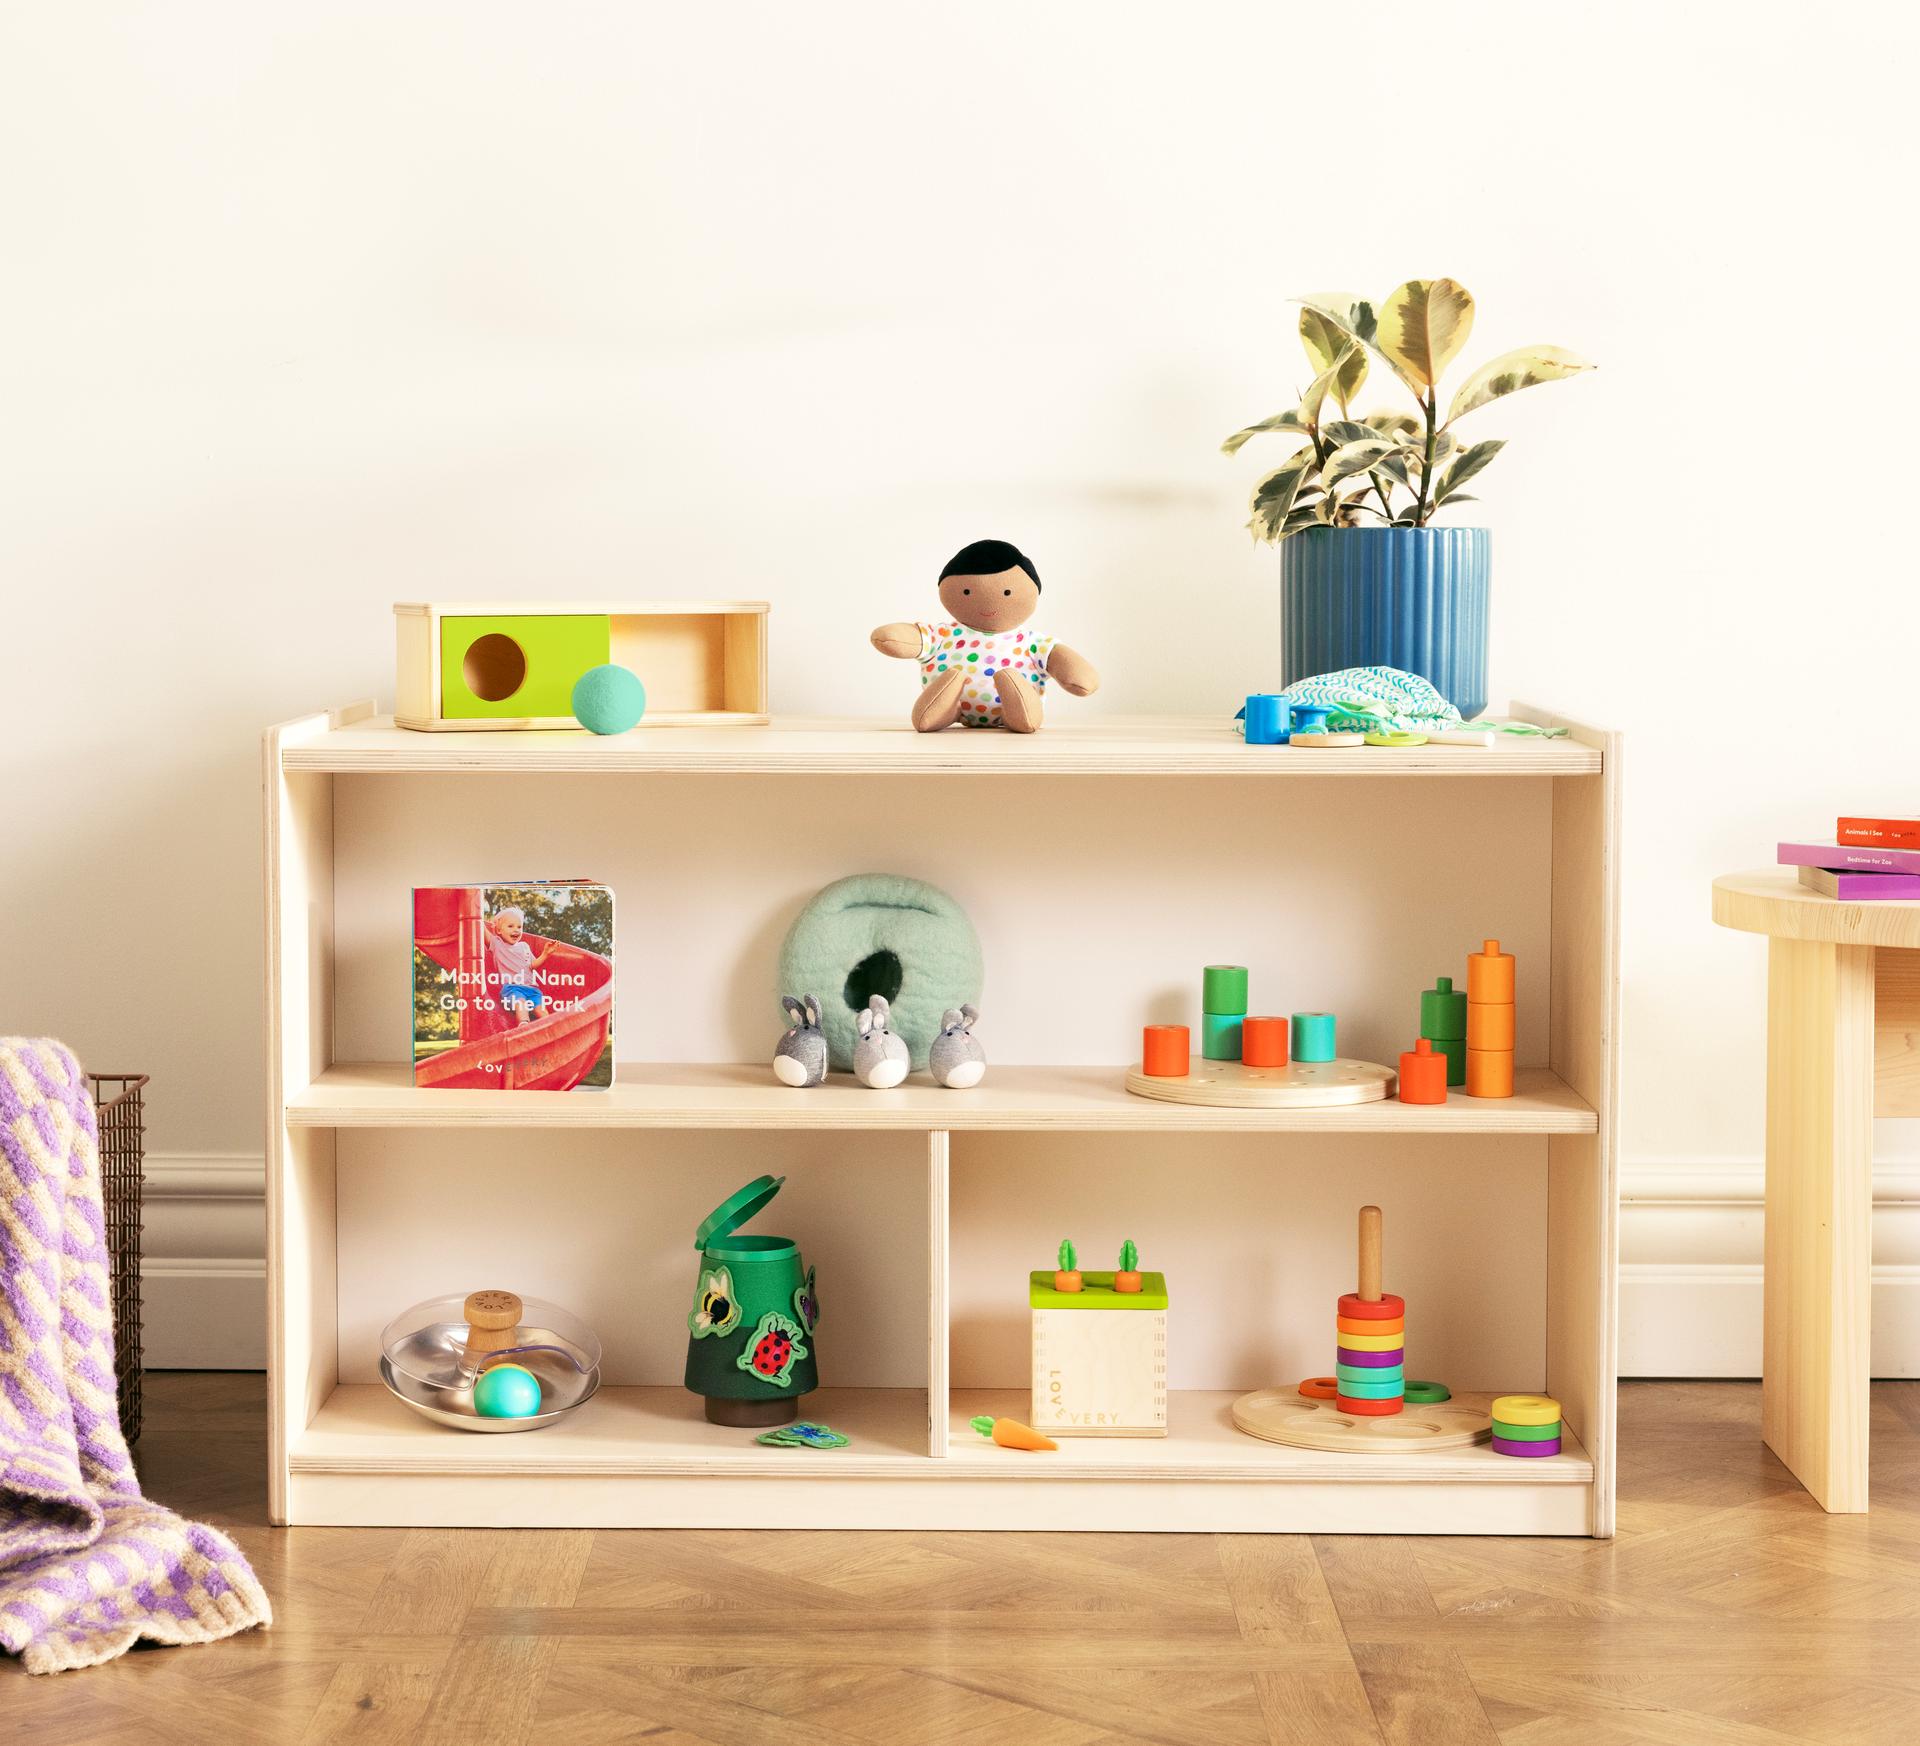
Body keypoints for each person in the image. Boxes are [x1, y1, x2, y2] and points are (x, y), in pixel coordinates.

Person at [484, 906, 554, 1024]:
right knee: (520, 1003)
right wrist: (473, 911)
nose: (516, 930)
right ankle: (523, 1025)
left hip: (532, 989)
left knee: (542, 1013)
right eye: (510, 926)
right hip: (512, 988)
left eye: (519, 926)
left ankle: (551, 1029)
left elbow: (532, 965)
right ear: (499, 930)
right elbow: (481, 929)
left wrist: (545, 953)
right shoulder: (497, 944)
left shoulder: (524, 946)